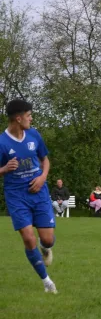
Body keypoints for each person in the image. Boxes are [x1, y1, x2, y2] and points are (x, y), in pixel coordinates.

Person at [0, 99, 57, 293]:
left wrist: (42, 177)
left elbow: (45, 160)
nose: (31, 118)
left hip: (39, 192)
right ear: (18, 118)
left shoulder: (34, 135)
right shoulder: (2, 142)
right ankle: (47, 282)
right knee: (28, 238)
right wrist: (4, 169)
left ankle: (46, 247)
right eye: (29, 115)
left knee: (47, 239)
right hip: (16, 196)